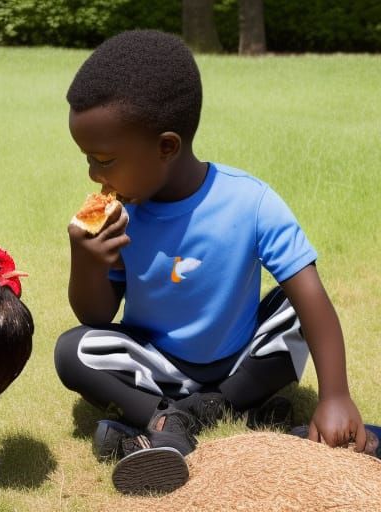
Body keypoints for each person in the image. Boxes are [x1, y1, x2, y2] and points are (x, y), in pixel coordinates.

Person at [54, 29, 367, 495]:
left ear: (166, 146)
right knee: (73, 349)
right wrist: (85, 260)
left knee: (296, 311)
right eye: (89, 161)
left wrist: (336, 397)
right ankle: (174, 416)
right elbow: (97, 316)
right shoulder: (123, 216)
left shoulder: (251, 201)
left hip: (238, 361)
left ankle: (180, 420)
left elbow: (311, 296)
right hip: (158, 363)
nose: (95, 176)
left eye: (104, 160)